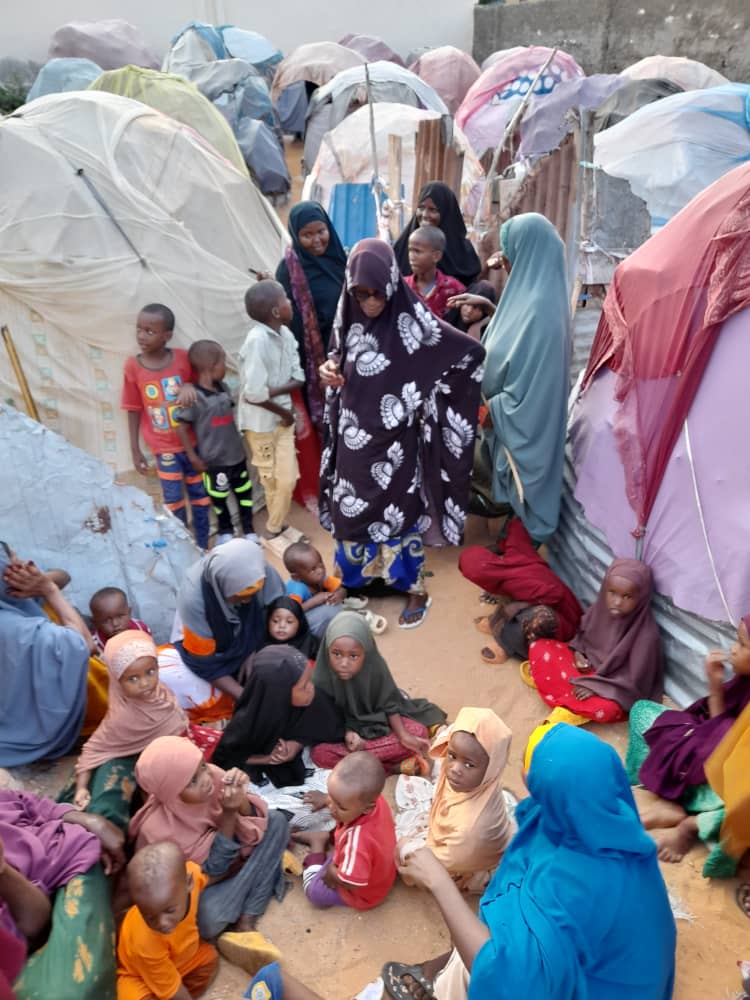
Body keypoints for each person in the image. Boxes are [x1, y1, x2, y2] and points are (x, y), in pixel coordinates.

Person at [382, 723, 676, 1000]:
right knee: (492, 920)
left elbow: (511, 983)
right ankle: (446, 969)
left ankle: (445, 982)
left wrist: (438, 881)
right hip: (628, 965)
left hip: (598, 989)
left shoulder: (576, 887)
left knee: (480, 950)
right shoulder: (604, 817)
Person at [318, 239, 484, 628]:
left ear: (393, 284)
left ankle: (412, 586)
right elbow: (336, 356)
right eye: (361, 293)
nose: (370, 302)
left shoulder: (415, 324)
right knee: (351, 510)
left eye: (378, 293)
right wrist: (330, 369)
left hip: (396, 444)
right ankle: (354, 580)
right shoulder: (348, 317)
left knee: (399, 512)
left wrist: (423, 400)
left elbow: (468, 355)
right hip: (353, 440)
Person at [130, 737, 288, 972]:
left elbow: (252, 820)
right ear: (171, 793)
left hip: (236, 852)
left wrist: (241, 800)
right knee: (207, 919)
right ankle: (265, 870)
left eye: (202, 765)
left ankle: (246, 920)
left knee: (277, 821)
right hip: (210, 881)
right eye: (192, 781)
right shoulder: (157, 831)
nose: (206, 779)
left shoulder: (213, 776)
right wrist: (229, 813)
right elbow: (213, 870)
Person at [627, 615, 750, 867]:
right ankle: (667, 798)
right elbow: (715, 726)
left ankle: (687, 820)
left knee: (736, 816)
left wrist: (689, 828)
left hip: (722, 790)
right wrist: (715, 687)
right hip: (704, 759)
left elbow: (730, 755)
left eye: (743, 644)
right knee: (642, 711)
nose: (733, 649)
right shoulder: (744, 683)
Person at [479, 213, 570, 543]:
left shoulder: (541, 310)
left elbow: (535, 391)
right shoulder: (528, 297)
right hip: (500, 417)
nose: (504, 259)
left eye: (509, 250)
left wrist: (494, 409)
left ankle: (523, 535)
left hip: (517, 424)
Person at [0, 789, 126, 998]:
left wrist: (88, 821)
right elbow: (33, 925)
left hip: (75, 848)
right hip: (64, 875)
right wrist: (3, 871)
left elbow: (25, 802)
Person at [74, 631, 220, 810]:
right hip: (170, 769)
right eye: (133, 678)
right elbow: (93, 750)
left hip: (190, 742)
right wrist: (81, 788)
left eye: (150, 672)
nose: (144, 683)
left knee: (230, 751)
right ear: (117, 681)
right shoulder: (122, 718)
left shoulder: (160, 691)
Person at [528, 559, 663, 725]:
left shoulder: (647, 636)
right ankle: (570, 701)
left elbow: (635, 683)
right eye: (612, 593)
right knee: (539, 647)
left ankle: (562, 696)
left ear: (641, 598)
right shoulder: (599, 610)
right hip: (585, 671)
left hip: (610, 686)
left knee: (607, 709)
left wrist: (597, 688)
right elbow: (581, 638)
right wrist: (578, 655)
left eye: (627, 596)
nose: (617, 602)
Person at [121, 303, 210, 549]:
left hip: (193, 444)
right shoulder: (133, 366)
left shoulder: (183, 358)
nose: (141, 336)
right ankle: (183, 546)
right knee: (173, 501)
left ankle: (203, 544)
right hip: (163, 449)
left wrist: (190, 385)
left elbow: (203, 386)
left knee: (200, 497)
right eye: (139, 329)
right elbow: (133, 408)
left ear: (167, 336)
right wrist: (135, 450)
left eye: (150, 331)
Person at [310, 613, 446, 773]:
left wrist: (403, 735)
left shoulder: (375, 667)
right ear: (327, 650)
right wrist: (347, 733)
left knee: (418, 732)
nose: (344, 663)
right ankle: (392, 767)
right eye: (336, 654)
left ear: (366, 652)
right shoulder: (320, 678)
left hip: (379, 725)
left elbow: (389, 703)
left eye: (353, 656)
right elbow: (325, 718)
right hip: (344, 737)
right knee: (320, 754)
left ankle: (372, 764)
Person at [0, 545, 95, 766]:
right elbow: (85, 645)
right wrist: (49, 589)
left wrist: (38, 581)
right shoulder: (26, 632)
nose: (20, 561)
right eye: (13, 559)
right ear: (7, 575)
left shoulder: (14, 602)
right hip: (39, 735)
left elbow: (64, 575)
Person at [211, 646, 344, 786]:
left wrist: (297, 743)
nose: (311, 688)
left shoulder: (315, 700)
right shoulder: (251, 720)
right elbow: (226, 757)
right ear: (280, 694)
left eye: (310, 680)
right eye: (304, 686)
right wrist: (267, 759)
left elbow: (331, 727)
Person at [174, 538, 285, 701]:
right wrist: (245, 697)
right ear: (221, 585)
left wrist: (255, 649)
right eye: (241, 595)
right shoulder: (194, 602)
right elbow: (204, 662)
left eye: (252, 594)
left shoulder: (258, 570)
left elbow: (276, 608)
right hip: (215, 652)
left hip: (250, 639)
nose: (247, 601)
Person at [460, 517, 583, 660]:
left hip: (567, 621)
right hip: (543, 599)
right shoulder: (515, 554)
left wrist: (522, 605)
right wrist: (519, 515)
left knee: (538, 615)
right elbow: (517, 530)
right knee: (507, 595)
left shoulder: (518, 582)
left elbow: (556, 594)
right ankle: (497, 624)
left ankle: (505, 645)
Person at [238, 281, 304, 547]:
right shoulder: (257, 341)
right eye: (285, 298)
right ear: (276, 311)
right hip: (260, 424)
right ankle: (277, 529)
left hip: (282, 419)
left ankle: (274, 527)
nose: (290, 302)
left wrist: (271, 393)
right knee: (272, 482)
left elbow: (299, 378)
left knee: (287, 480)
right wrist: (282, 409)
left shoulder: (286, 335)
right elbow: (254, 395)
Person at [174, 340, 256, 546]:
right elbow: (181, 427)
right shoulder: (194, 397)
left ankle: (249, 529)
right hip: (214, 462)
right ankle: (225, 530)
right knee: (219, 498)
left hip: (237, 457)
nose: (225, 368)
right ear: (211, 366)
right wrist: (193, 457)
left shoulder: (224, 388)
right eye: (222, 363)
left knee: (244, 494)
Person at [275, 202, 348, 432]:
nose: (316, 240)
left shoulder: (341, 260)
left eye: (321, 231)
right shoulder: (289, 269)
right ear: (296, 236)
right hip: (313, 357)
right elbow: (288, 321)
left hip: (348, 350)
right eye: (307, 235)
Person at [424, 708, 513, 893]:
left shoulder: (471, 831)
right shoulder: (480, 783)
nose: (455, 769)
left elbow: (439, 863)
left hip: (466, 861)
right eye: (452, 755)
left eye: (469, 764)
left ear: (492, 768)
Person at [117, 841, 219, 1000]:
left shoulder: (190, 876)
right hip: (140, 974)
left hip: (179, 960)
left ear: (189, 883)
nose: (162, 923)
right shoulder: (144, 941)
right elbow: (170, 987)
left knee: (208, 959)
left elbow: (210, 875)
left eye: (170, 910)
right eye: (150, 917)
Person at [295, 752, 396, 910]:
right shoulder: (373, 801)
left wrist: (332, 874)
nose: (331, 807)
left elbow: (351, 882)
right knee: (340, 830)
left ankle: (317, 844)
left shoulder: (358, 841)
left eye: (340, 806)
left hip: (364, 893)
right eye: (331, 796)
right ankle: (327, 842)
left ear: (367, 808)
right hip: (378, 868)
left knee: (315, 892)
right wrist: (328, 799)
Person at [394, 181, 480, 287]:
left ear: (446, 214)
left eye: (433, 210)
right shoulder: (401, 248)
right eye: (421, 207)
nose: (425, 215)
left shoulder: (463, 254)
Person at [283, 541, 345, 637]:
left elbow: (342, 589)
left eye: (321, 564)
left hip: (312, 613)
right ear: (296, 577)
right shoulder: (297, 588)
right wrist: (315, 601)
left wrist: (339, 595)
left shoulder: (320, 578)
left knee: (337, 607)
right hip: (294, 623)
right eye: (313, 569)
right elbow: (291, 612)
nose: (320, 570)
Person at [404, 226, 465, 320]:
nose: (411, 256)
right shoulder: (403, 286)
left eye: (417, 251)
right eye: (410, 250)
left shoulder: (454, 288)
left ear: (436, 256)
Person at [89, 587, 152, 656]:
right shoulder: (95, 644)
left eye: (120, 616)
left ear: (129, 613)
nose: (115, 624)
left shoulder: (141, 629)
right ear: (96, 623)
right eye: (106, 620)